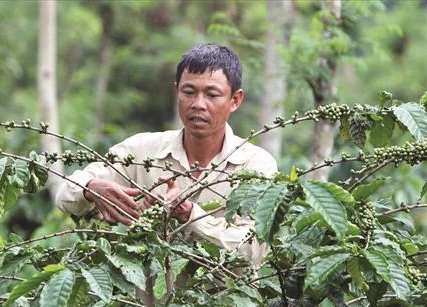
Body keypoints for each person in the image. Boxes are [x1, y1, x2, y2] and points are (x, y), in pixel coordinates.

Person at [56, 43, 277, 264]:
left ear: (235, 100)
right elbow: (64, 194)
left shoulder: (255, 165)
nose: (198, 104)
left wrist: (190, 215)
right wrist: (90, 188)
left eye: (212, 94)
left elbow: (253, 250)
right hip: (145, 300)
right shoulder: (142, 150)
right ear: (177, 92)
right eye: (189, 92)